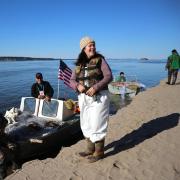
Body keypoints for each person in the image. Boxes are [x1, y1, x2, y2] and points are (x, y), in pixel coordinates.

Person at [70, 36, 113, 163]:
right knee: (86, 123)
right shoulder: (79, 64)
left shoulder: (100, 60)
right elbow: (72, 80)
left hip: (99, 97)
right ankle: (90, 149)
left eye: (93, 45)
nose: (93, 47)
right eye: (90, 45)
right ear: (84, 48)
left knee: (97, 123)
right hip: (83, 98)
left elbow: (109, 76)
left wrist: (96, 87)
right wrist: (77, 86)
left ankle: (99, 152)